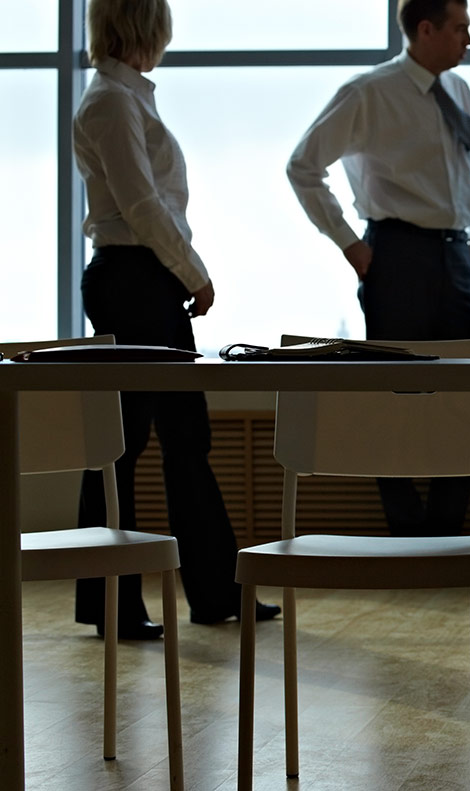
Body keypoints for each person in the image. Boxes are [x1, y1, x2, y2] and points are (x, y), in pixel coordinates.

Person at [72, 0, 279, 638]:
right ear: (147, 26)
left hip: (147, 280)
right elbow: (139, 202)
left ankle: (214, 590)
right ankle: (112, 601)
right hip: (134, 280)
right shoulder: (111, 100)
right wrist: (194, 271)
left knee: (184, 438)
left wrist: (179, 273)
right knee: (123, 446)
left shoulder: (126, 97)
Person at [287, 0, 470, 537]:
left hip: (456, 256)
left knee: (467, 397)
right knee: (393, 401)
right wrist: (350, 244)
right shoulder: (369, 92)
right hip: (395, 255)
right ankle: (405, 530)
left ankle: (449, 533)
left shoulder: (461, 93)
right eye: (461, 28)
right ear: (426, 29)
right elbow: (303, 166)